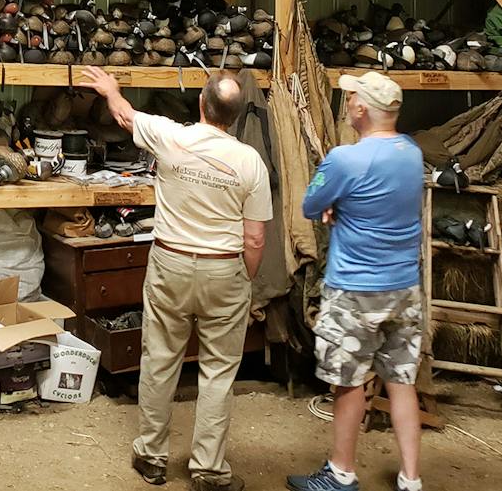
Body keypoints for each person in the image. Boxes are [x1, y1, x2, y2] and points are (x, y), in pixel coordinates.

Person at [86, 67, 272, 491]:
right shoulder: (250, 161)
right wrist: (245, 279)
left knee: (159, 361)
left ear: (201, 105)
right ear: (238, 115)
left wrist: (111, 89)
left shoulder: (171, 136)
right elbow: (255, 236)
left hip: (170, 263)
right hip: (224, 267)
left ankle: (151, 456)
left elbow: (126, 116)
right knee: (219, 372)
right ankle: (207, 469)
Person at [288, 71, 425, 491]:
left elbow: (312, 204)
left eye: (350, 98)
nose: (346, 104)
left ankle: (341, 473)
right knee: (402, 381)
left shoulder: (345, 159)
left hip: (355, 289)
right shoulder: (412, 153)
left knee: (347, 382)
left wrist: (334, 207)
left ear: (362, 109)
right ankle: (410, 478)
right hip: (404, 286)